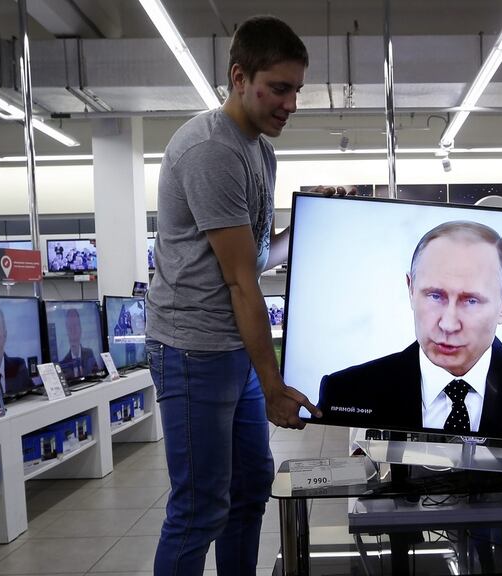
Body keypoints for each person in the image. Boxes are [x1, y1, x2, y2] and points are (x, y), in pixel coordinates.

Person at [144, 16, 320, 576]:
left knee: (249, 493)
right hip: (192, 352)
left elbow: (256, 257)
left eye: (296, 89)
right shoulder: (211, 151)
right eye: (278, 88)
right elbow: (241, 281)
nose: (290, 103)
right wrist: (272, 385)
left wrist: (310, 223)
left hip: (234, 353)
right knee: (199, 510)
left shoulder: (260, 151)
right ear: (239, 78)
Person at [317, 220, 502, 446]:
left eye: (470, 300)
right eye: (434, 295)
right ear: (410, 290)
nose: (448, 324)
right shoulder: (347, 390)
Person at [59, 308, 101, 379]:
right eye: (70, 327)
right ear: (67, 331)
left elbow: (98, 377)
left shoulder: (89, 354)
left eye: (76, 325)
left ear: (81, 328)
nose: (73, 330)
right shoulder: (63, 363)